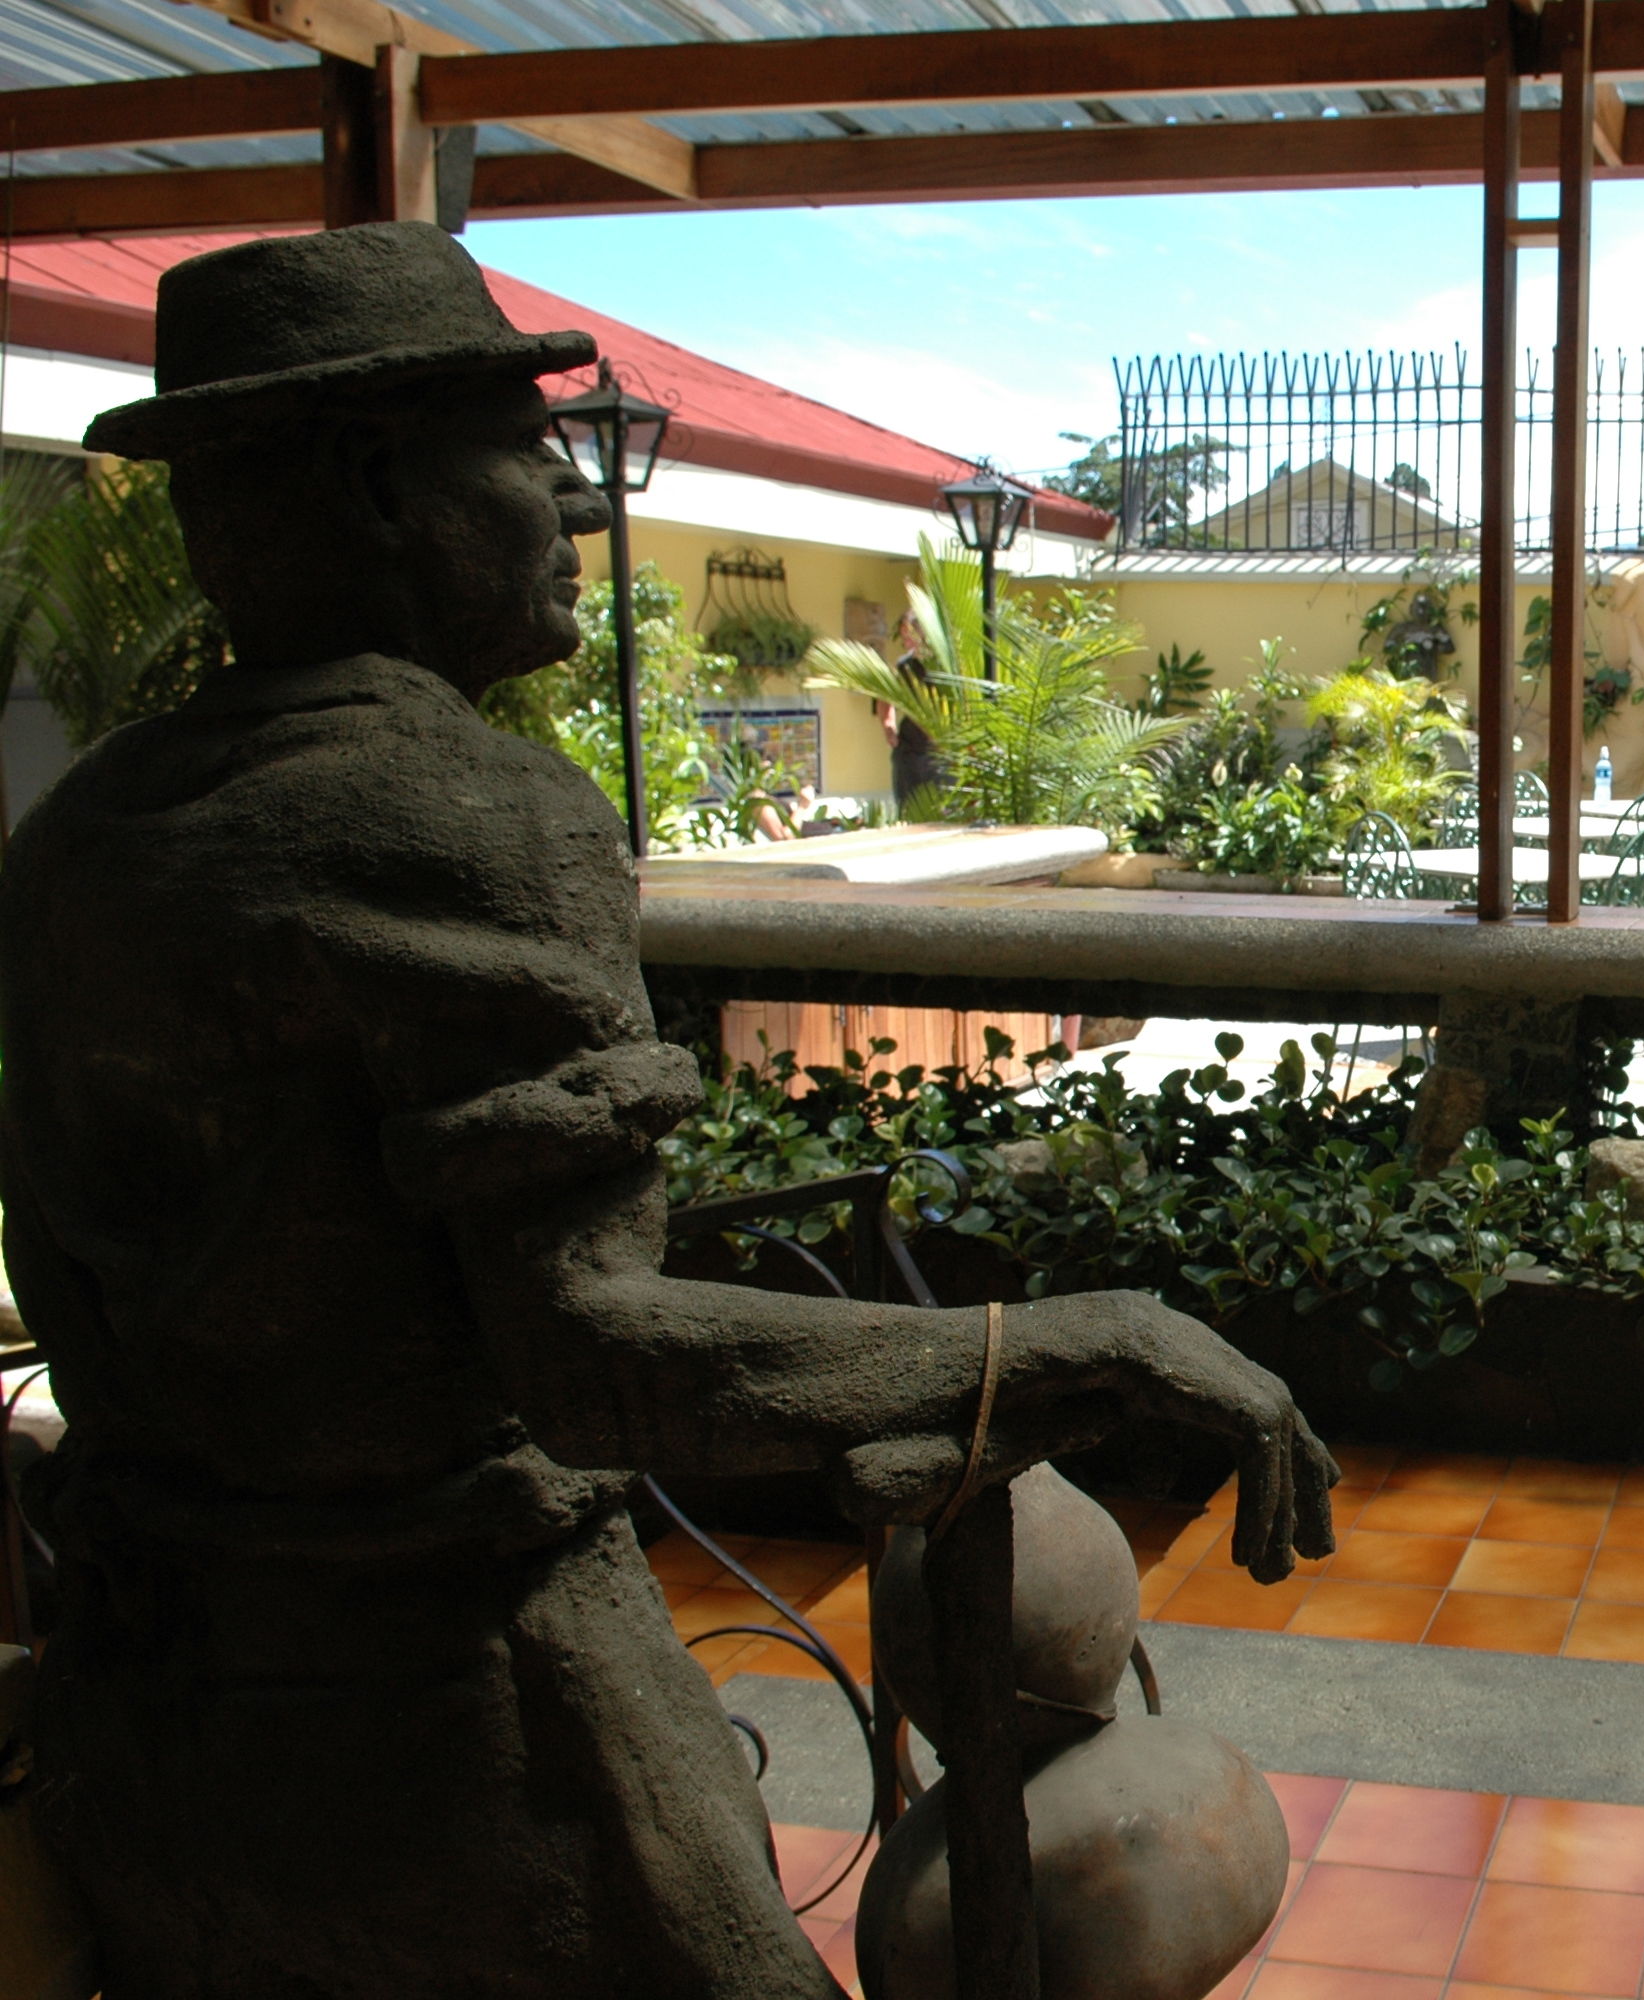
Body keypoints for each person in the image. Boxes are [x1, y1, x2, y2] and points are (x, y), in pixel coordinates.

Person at [0, 222, 1336, 2000]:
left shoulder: (79, 832)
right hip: (444, 1717)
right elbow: (590, 1356)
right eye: (526, 451)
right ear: (381, 485)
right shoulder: (460, 812)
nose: (573, 504)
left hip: (152, 1703)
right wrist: (1067, 1341)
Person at [880, 609, 950, 812]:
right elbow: (885, 696)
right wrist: (888, 726)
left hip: (942, 756)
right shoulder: (904, 666)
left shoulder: (944, 666)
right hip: (910, 753)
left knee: (942, 815)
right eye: (903, 634)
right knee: (909, 812)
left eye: (908, 633)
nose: (905, 639)